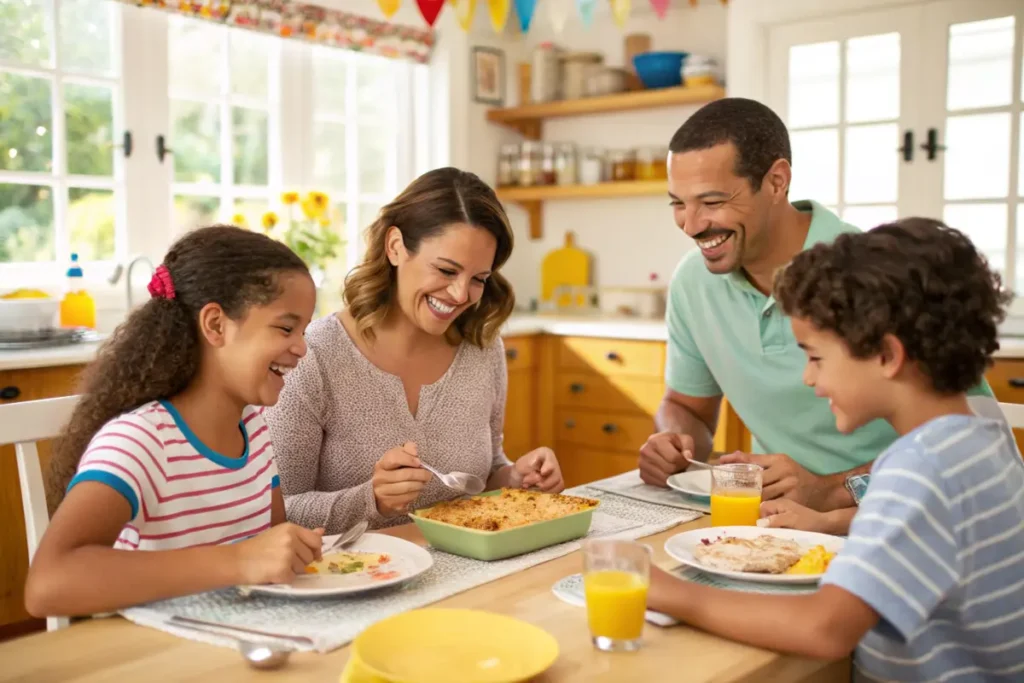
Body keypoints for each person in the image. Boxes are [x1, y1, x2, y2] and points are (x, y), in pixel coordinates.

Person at [647, 218, 1024, 681]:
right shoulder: (979, 443)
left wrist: (667, 591)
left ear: (887, 355)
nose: (808, 378)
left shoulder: (919, 469)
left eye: (816, 357)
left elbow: (824, 629)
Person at [638, 97, 998, 515]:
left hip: (902, 514)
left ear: (776, 181)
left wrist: (834, 490)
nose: (692, 224)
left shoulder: (871, 272)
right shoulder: (692, 282)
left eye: (713, 202)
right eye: (678, 204)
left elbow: (975, 435)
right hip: (777, 522)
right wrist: (673, 442)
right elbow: (687, 408)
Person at [25, 226, 323, 618]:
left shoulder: (253, 428)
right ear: (216, 324)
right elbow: (48, 584)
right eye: (286, 328)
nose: (302, 347)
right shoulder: (141, 441)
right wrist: (235, 562)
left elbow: (268, 548)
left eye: (303, 330)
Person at [265, 167, 563, 534]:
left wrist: (516, 476)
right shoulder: (315, 355)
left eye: (478, 280)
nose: (459, 295)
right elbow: (276, 512)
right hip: (353, 578)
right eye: (446, 270)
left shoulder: (483, 349)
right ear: (395, 247)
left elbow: (484, 476)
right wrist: (370, 500)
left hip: (462, 572)